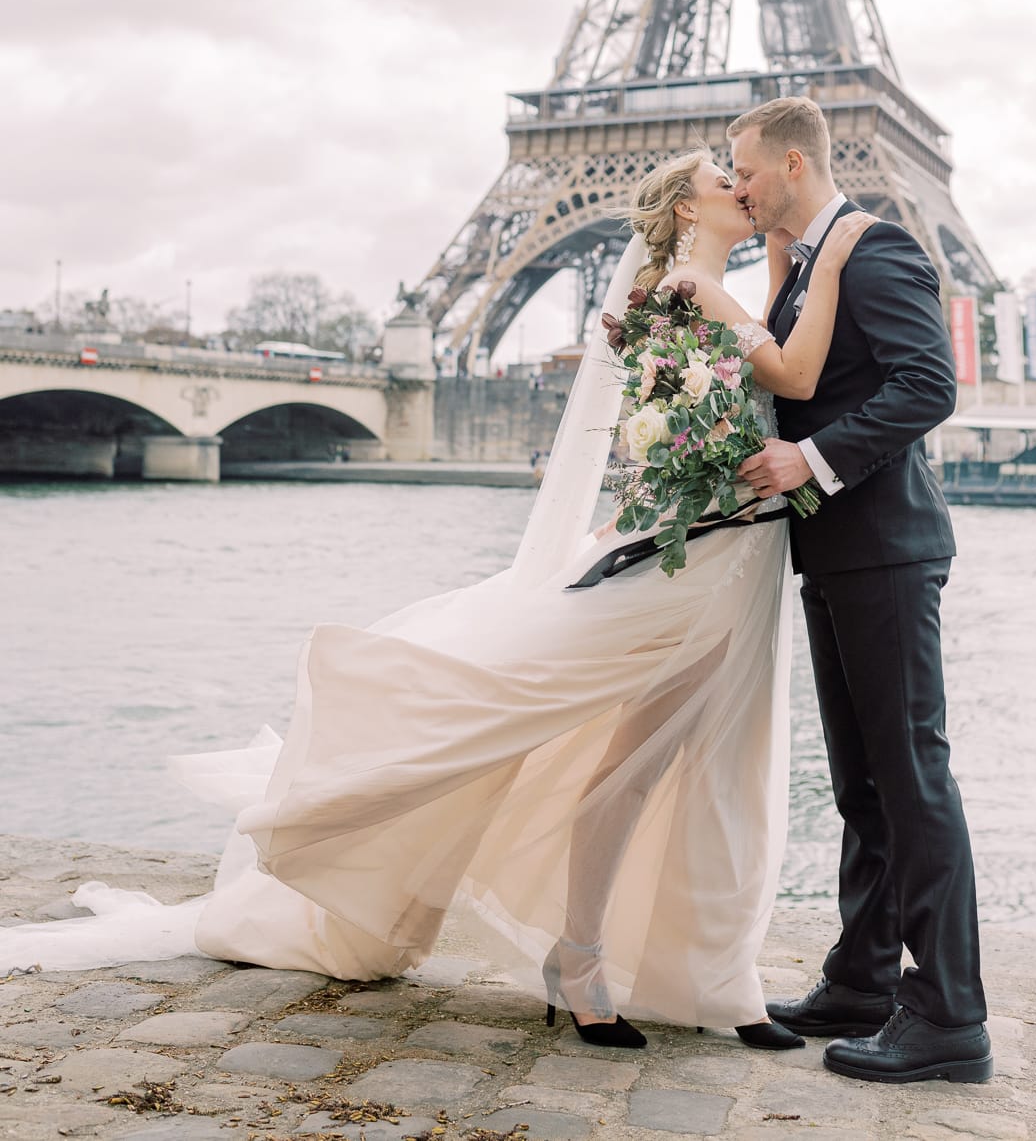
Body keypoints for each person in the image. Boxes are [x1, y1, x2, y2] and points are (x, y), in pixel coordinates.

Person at [2, 152, 871, 1054]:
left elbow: (747, 368)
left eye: (743, 170)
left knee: (708, 770)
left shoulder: (706, 284)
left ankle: (708, 975)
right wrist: (833, 256)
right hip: (705, 554)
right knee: (646, 769)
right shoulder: (690, 284)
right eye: (718, 173)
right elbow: (794, 378)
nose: (737, 181)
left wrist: (781, 255)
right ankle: (592, 961)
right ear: (687, 204)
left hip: (740, 551)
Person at [728, 96, 992, 1085]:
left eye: (745, 170)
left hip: (883, 548)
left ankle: (952, 1016)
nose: (738, 186)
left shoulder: (875, 252)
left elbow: (929, 385)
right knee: (864, 785)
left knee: (913, 779)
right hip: (838, 552)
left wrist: (810, 461)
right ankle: (864, 977)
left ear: (793, 166)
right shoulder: (804, 272)